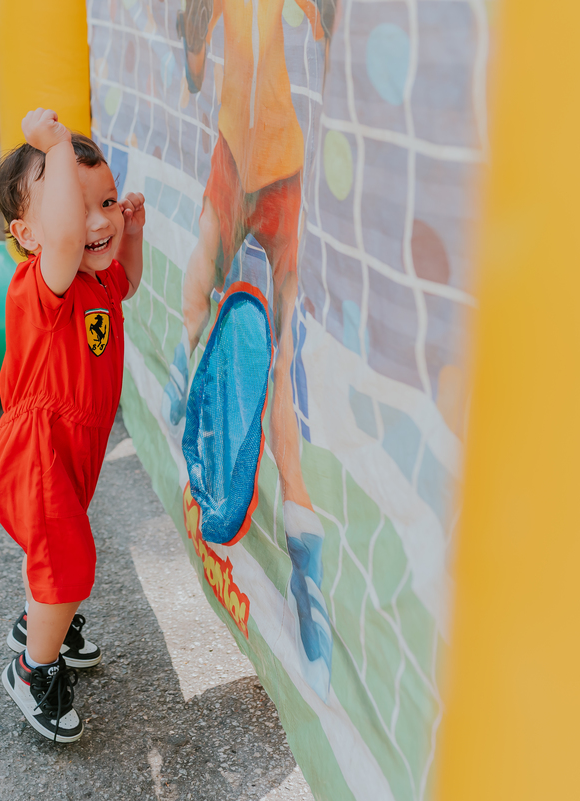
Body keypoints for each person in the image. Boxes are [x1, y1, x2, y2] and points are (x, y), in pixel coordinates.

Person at [169, 0, 335, 700]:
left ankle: (306, 573)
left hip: (280, 171)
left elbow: (328, 33)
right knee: (197, 286)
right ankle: (186, 391)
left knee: (285, 375)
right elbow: (196, 75)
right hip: (239, 162)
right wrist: (194, 33)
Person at [0, 108, 144, 742]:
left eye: (105, 200)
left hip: (73, 446)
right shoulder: (45, 282)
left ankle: (47, 620)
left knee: (60, 558)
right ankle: (31, 668)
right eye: (76, 207)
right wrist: (49, 144)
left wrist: (133, 230)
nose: (96, 220)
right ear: (29, 233)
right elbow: (71, 239)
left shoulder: (96, 282)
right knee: (68, 563)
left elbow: (129, 281)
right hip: (37, 452)